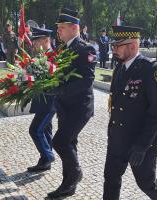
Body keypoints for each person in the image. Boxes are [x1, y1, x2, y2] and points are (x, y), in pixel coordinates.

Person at [103, 25, 157, 200]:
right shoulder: (120, 67)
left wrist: (142, 146)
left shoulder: (151, 70)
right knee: (110, 178)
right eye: (113, 46)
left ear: (133, 46)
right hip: (118, 138)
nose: (114, 50)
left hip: (140, 143)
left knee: (146, 183)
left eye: (118, 46)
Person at [46, 7, 96, 199]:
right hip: (64, 106)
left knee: (59, 141)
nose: (58, 32)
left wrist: (60, 90)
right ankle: (68, 185)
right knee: (70, 144)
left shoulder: (86, 49)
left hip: (79, 107)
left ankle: (75, 174)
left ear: (74, 28)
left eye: (62, 28)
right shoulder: (61, 49)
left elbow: (86, 81)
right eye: (58, 28)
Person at [26, 27, 56, 173]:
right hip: (41, 101)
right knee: (45, 131)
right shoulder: (40, 55)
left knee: (35, 130)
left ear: (46, 40)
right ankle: (45, 161)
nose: (34, 44)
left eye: (37, 41)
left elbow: (53, 80)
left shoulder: (54, 56)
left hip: (49, 102)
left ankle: (49, 156)